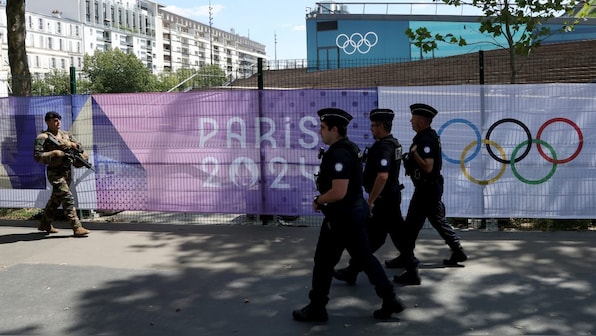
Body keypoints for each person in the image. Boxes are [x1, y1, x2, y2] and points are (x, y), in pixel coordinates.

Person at [292, 108, 405, 322]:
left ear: (335, 129)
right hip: (352, 214)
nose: (319, 132)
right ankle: (390, 299)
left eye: (323, 128)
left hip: (341, 217)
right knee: (365, 258)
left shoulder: (339, 153)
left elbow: (339, 191)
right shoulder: (348, 149)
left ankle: (317, 307)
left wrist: (318, 200)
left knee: (324, 261)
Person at [390, 103, 467, 286]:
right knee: (436, 220)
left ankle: (408, 263)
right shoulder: (426, 136)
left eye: (413, 118)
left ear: (422, 121)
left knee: (410, 227)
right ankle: (457, 251)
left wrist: (414, 155)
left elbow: (428, 166)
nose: (410, 121)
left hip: (427, 189)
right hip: (429, 188)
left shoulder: (425, 140)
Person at [332, 108, 406, 285]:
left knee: (370, 239)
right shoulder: (394, 143)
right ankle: (410, 265)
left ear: (380, 127)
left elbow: (382, 176)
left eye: (373, 126)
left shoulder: (385, 147)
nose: (371, 129)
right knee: (397, 235)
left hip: (383, 200)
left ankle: (354, 270)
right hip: (391, 197)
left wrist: (371, 200)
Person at [33, 111, 90, 237]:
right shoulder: (43, 137)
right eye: (54, 120)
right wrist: (53, 154)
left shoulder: (66, 135)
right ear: (47, 122)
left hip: (67, 172)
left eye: (59, 119)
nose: (58, 122)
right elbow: (37, 156)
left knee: (56, 199)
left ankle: (45, 224)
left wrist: (73, 145)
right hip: (55, 173)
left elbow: (80, 148)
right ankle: (77, 227)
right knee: (67, 197)